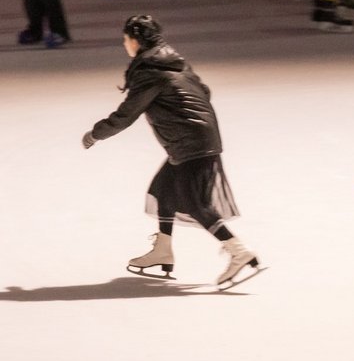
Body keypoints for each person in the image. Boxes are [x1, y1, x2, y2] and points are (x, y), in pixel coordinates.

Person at [82, 15, 262, 290]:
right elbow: (204, 91)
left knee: (195, 203)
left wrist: (95, 134)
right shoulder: (173, 61)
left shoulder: (149, 71)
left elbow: (126, 115)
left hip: (191, 143)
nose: (124, 44)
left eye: (126, 39)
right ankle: (163, 249)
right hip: (197, 138)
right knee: (163, 188)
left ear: (136, 40)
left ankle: (239, 251)